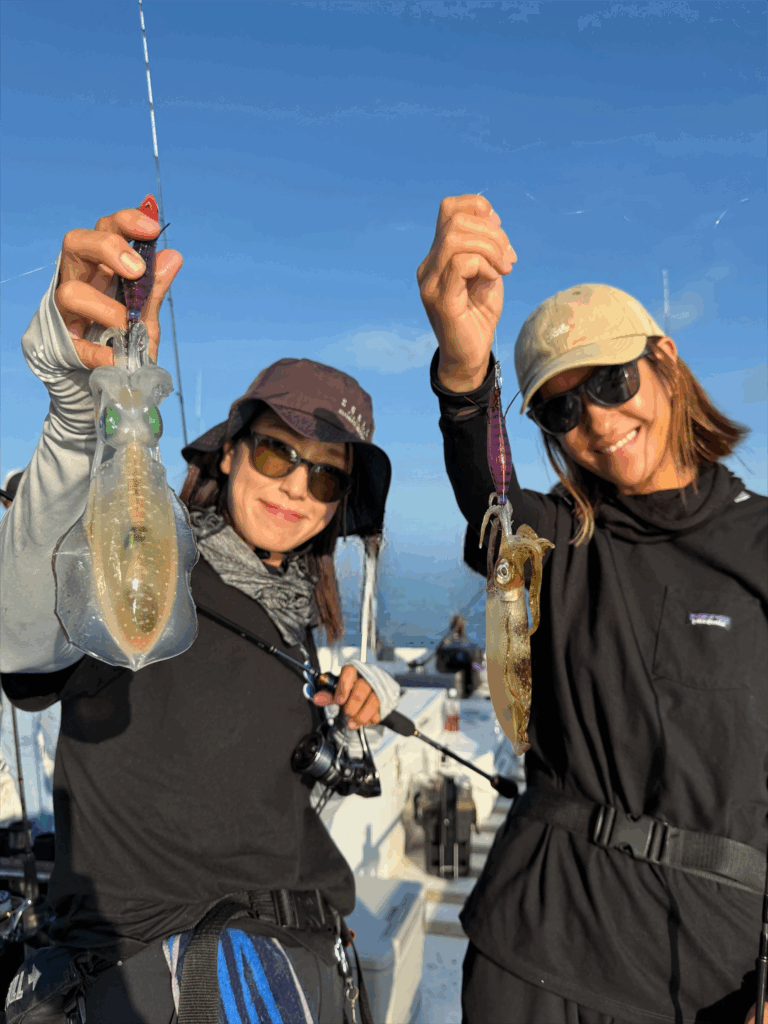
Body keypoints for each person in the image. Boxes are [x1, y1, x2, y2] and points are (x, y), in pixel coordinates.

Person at [0, 203, 399, 1024]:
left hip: (309, 965)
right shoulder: (151, 557)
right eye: (278, 451)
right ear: (230, 450)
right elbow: (27, 644)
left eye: (326, 475)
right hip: (171, 973)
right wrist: (77, 419)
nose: (296, 486)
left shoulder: (291, 610)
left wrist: (359, 697)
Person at [418, 194, 767, 1024]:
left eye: (613, 381)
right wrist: (465, 374)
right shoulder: (556, 539)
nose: (600, 423)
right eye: (562, 408)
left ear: (666, 361)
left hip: (706, 980)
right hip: (531, 955)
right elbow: (489, 493)